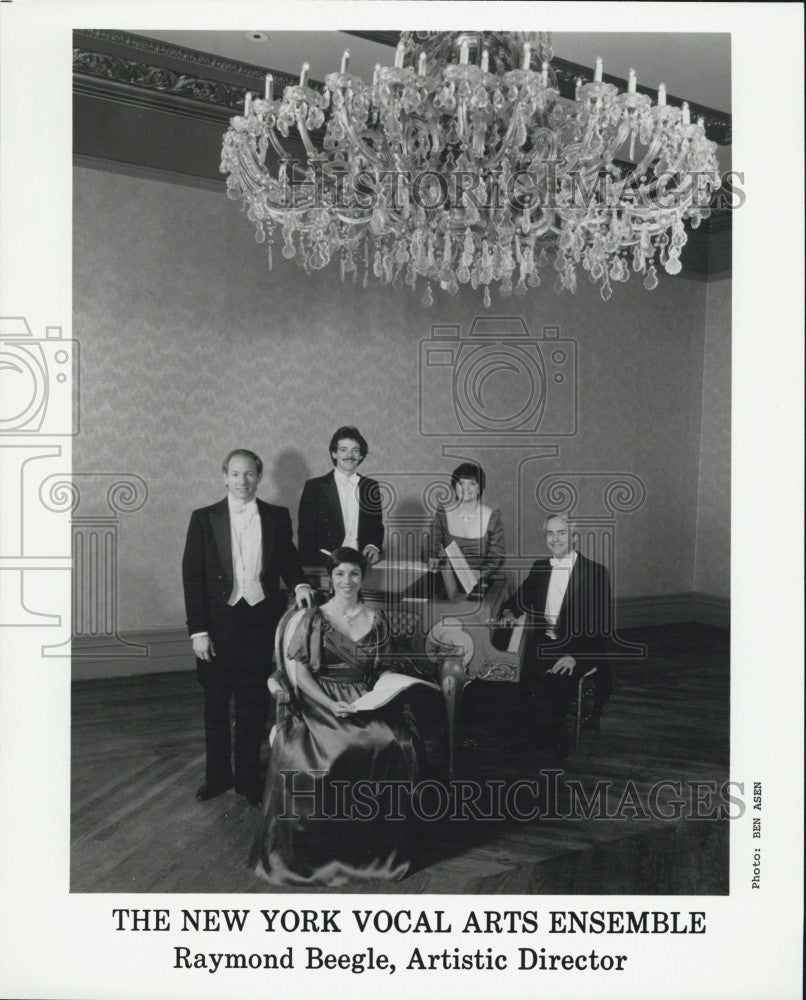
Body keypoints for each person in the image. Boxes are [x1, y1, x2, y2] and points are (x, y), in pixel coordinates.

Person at [250, 547, 420, 887]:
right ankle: (316, 855)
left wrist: (383, 690)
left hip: (365, 697)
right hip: (320, 699)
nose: (347, 580)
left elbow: (383, 667)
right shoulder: (315, 617)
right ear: (330, 578)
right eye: (339, 574)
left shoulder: (377, 618)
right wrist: (330, 705)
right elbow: (300, 674)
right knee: (317, 752)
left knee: (391, 741)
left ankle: (374, 854)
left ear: (362, 578)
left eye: (354, 574)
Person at [182, 449, 314, 807]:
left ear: (259, 477)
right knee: (215, 703)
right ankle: (217, 776)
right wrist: (198, 631)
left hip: (260, 621)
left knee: (254, 703)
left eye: (250, 474)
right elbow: (192, 578)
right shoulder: (204, 518)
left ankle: (246, 779)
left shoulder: (276, 516)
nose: (243, 481)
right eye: (236, 474)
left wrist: (300, 584)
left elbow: (288, 558)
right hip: (217, 625)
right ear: (224, 476)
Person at [500, 514, 613, 757]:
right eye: (550, 534)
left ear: (574, 536)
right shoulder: (541, 567)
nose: (555, 539)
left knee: (554, 688)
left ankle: (552, 747)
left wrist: (574, 656)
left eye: (561, 532)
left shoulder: (595, 572)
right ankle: (527, 742)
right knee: (515, 680)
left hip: (580, 647)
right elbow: (519, 600)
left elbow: (602, 627)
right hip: (545, 644)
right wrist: (510, 611)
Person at [297, 426, 384, 567]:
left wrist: (372, 546)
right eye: (343, 450)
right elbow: (306, 535)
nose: (349, 455)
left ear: (361, 455)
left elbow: (376, 526)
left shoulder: (370, 486)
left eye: (355, 450)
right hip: (324, 565)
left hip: (361, 564)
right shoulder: (314, 487)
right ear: (334, 454)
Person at [426, 462, 506, 597]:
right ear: (454, 486)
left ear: (480, 488)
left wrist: (481, 573)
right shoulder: (442, 515)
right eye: (461, 483)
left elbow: (497, 556)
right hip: (448, 584)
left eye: (472, 484)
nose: (466, 488)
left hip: (480, 583)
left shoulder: (492, 517)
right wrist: (431, 557)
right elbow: (430, 546)